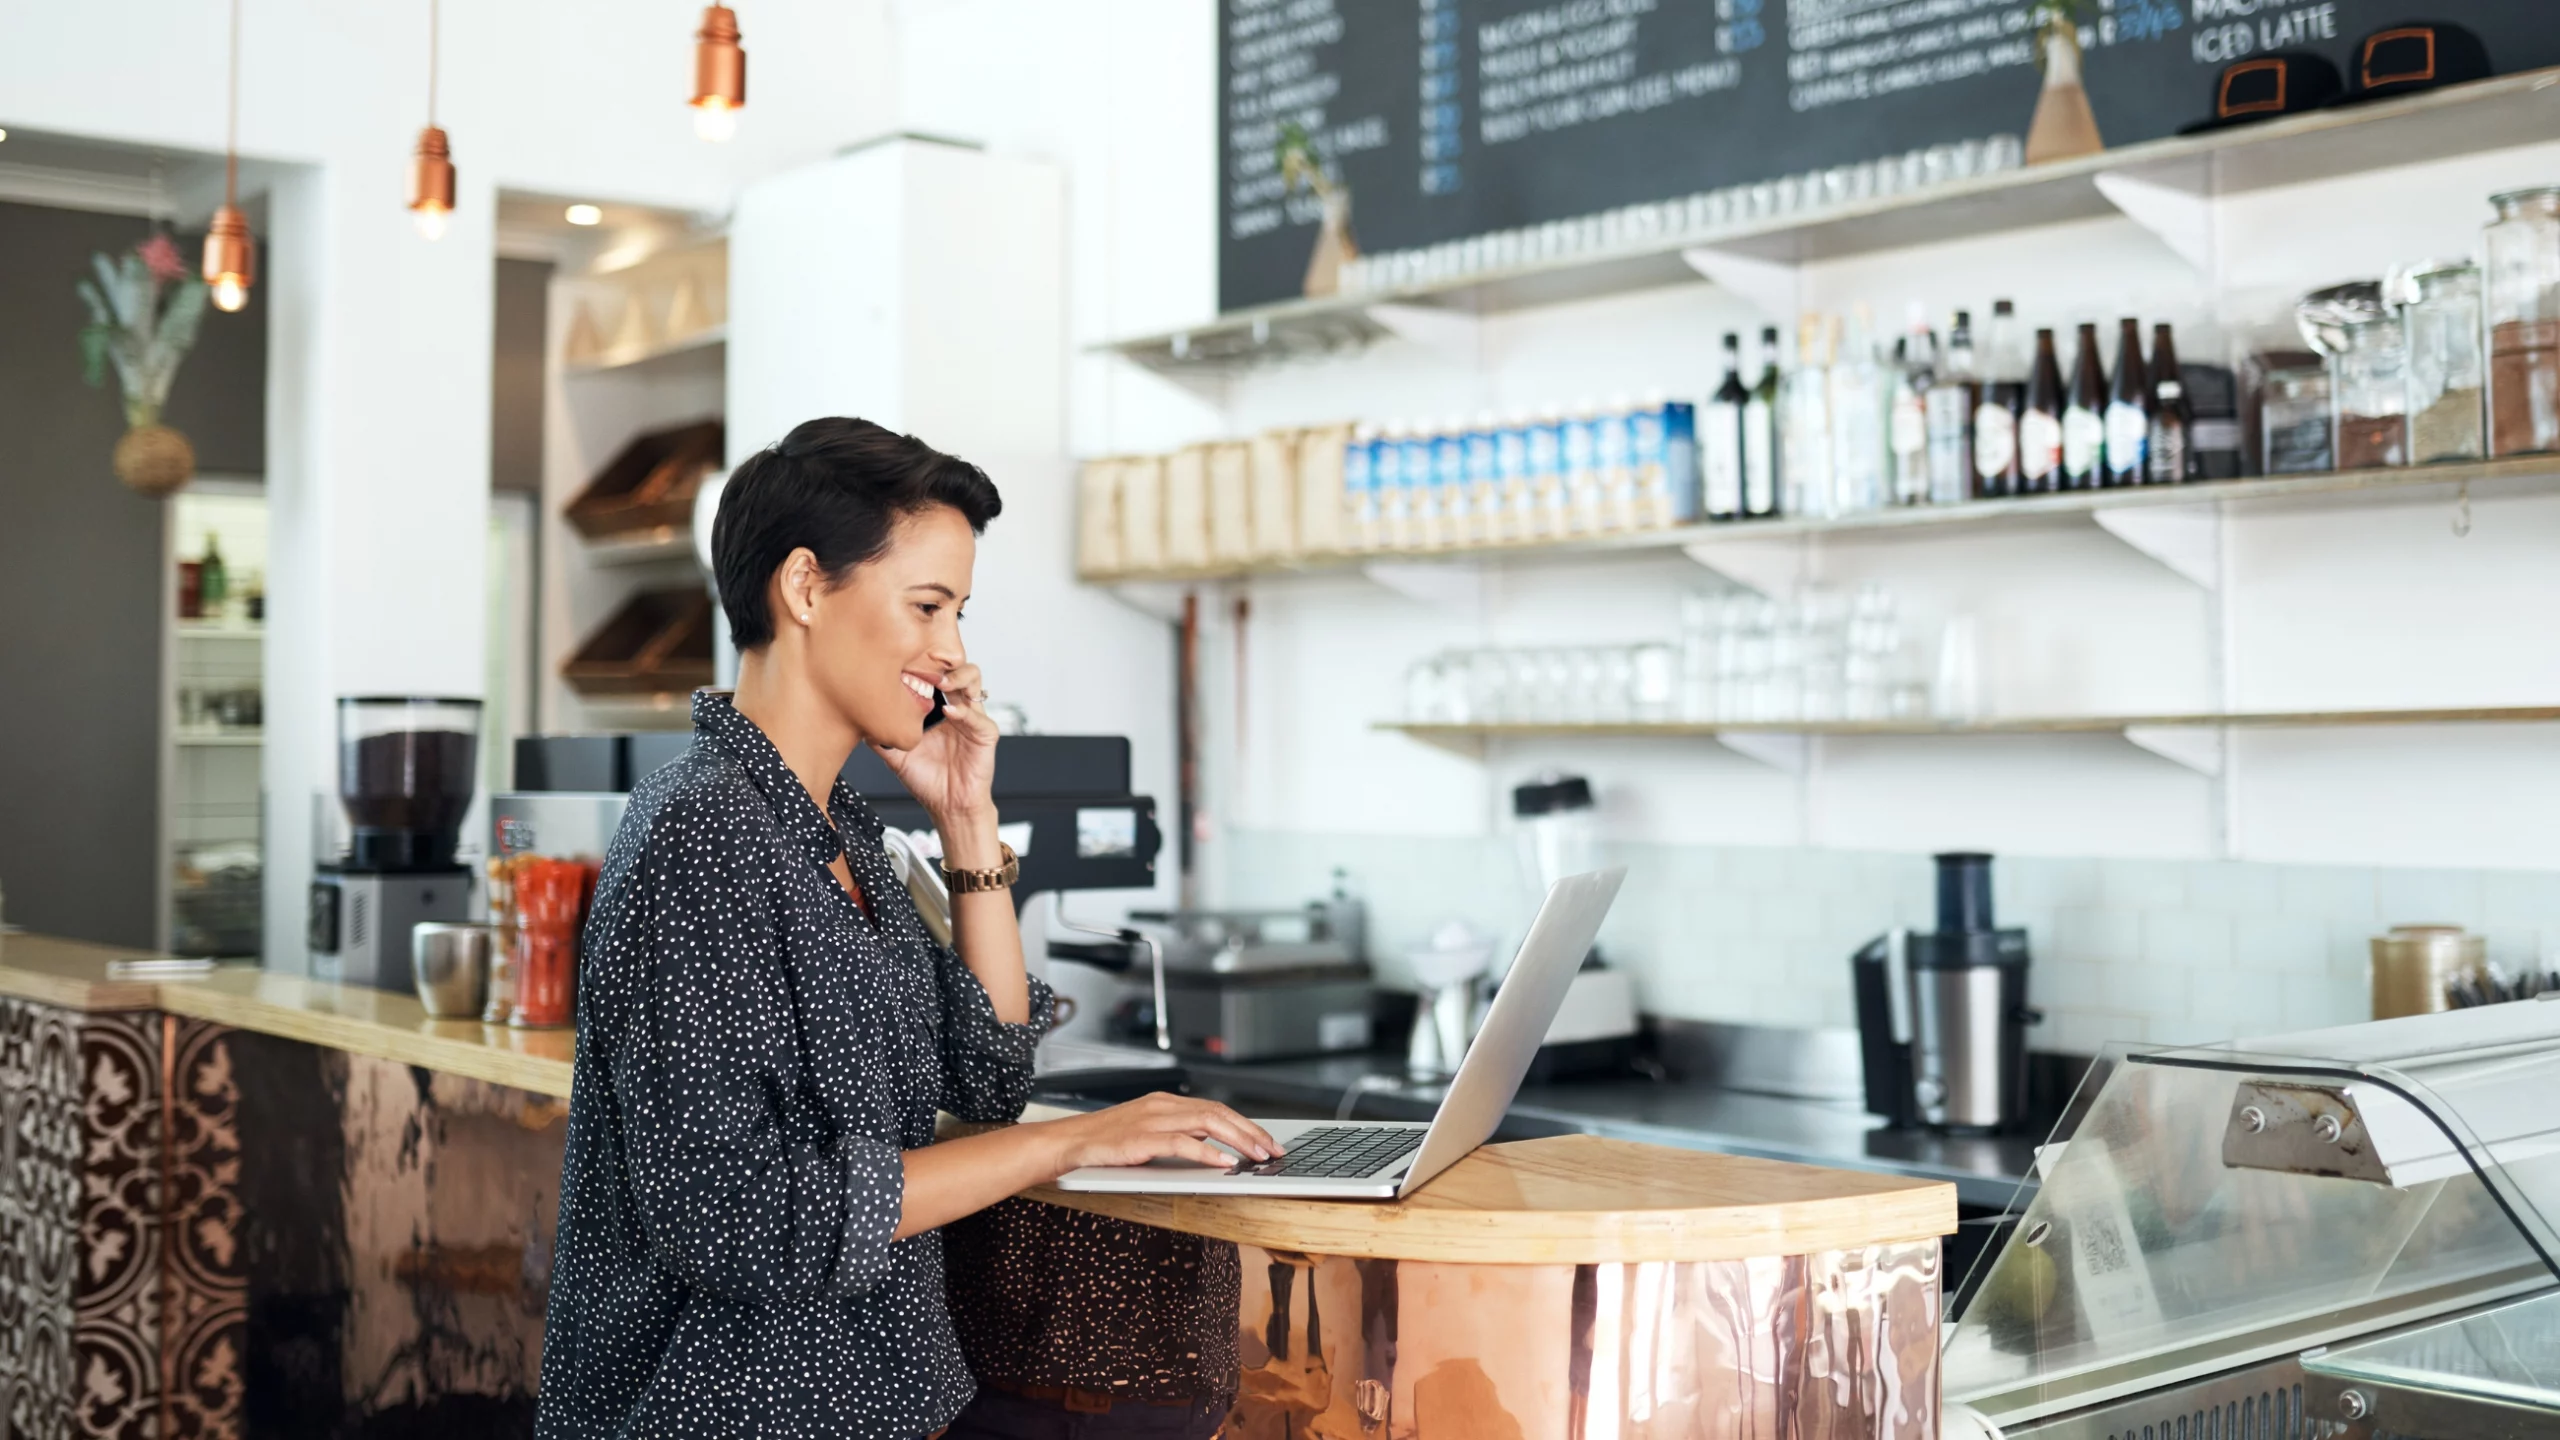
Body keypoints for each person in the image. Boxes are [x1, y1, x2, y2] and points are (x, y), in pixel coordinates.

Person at [535, 417, 1279, 1440]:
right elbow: (734, 1218)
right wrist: (1079, 1142)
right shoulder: (699, 834)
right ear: (804, 587)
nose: (952, 654)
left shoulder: (845, 829)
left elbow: (987, 1075)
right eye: (928, 606)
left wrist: (967, 819)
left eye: (959, 613)